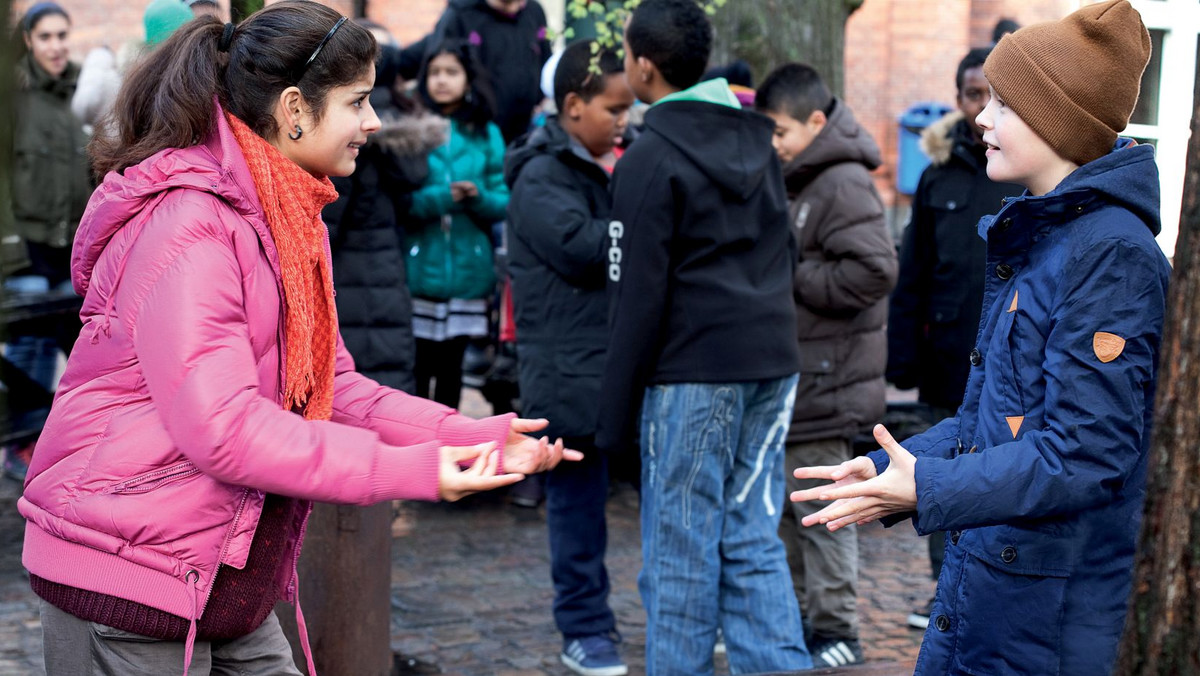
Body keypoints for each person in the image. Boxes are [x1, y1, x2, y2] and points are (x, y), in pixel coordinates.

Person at [17, 4, 575, 674]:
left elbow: (332, 391)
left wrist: (467, 437)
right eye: (358, 101)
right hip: (128, 582)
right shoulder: (193, 224)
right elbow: (226, 430)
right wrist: (411, 471)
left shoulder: (284, 208)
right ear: (295, 110)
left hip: (221, 581)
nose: (374, 122)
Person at [791, 2, 1170, 674]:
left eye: (1004, 105)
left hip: (1046, 619)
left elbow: (1084, 455)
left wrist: (926, 484)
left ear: (1059, 120)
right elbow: (993, 423)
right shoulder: (1049, 238)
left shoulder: (1111, 254)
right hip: (1000, 591)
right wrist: (888, 469)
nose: (981, 119)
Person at [596, 1, 812, 673]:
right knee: (751, 538)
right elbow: (790, 254)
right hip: (772, 361)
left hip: (694, 371)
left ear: (643, 66)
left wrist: (609, 424)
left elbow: (635, 296)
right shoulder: (758, 140)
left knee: (681, 552)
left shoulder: (650, 157)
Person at [754, 62, 897, 668]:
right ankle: (798, 622)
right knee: (795, 512)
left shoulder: (840, 183)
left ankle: (837, 630)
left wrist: (792, 274)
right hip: (804, 379)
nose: (774, 143)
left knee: (825, 515)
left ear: (816, 121)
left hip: (829, 383)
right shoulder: (806, 179)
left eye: (781, 130)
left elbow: (874, 270)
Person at [505, 39, 635, 676]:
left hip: (615, 365)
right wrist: (640, 225)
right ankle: (584, 627)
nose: (624, 121)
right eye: (614, 109)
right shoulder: (540, 174)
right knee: (577, 511)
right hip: (565, 373)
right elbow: (586, 251)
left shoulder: (607, 164)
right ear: (574, 105)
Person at [884, 45, 1023, 630]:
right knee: (943, 464)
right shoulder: (938, 176)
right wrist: (902, 358)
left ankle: (985, 587)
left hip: (1007, 357)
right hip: (947, 355)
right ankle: (945, 586)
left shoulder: (1020, 173)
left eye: (992, 94)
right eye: (972, 93)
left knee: (996, 469)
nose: (980, 108)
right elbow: (911, 274)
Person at [323, 43, 448, 394]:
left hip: (345, 275)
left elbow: (328, 224)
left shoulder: (348, 131)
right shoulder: (406, 131)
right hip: (390, 269)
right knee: (387, 379)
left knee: (350, 384)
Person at [4, 2, 92, 482]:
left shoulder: (80, 94)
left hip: (72, 247)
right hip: (27, 245)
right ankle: (20, 445)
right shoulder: (13, 100)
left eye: (62, 36)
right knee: (27, 347)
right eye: (45, 37)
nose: (56, 46)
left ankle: (54, 442)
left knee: (75, 347)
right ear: (29, 42)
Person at [407, 39, 508, 409]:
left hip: (468, 270)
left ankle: (449, 449)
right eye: (434, 73)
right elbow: (403, 202)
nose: (442, 81)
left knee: (452, 371)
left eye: (451, 72)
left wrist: (477, 196)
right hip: (421, 267)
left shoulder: (486, 133)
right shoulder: (411, 127)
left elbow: (504, 201)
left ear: (468, 79)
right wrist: (445, 197)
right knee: (418, 369)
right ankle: (416, 449)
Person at [411, 0, 551, 144]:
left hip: (526, 133)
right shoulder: (461, 13)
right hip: (473, 135)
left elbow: (545, 61)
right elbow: (439, 61)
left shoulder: (534, 12)